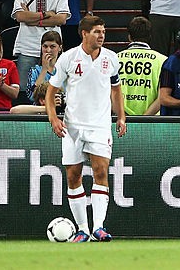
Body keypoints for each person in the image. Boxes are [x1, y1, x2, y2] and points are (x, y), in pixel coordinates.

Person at [46, 15, 125, 242]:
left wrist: (121, 116)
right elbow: (51, 93)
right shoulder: (68, 58)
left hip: (100, 126)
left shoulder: (111, 59)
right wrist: (54, 119)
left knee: (101, 171)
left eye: (103, 32)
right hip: (73, 126)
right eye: (97, 32)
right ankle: (82, 229)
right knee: (73, 176)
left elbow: (116, 89)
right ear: (84, 33)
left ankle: (98, 227)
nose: (101, 36)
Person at [115, 17, 166, 117]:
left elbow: (108, 93)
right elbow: (163, 97)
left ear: (129, 37)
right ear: (150, 36)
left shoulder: (115, 59)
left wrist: (123, 115)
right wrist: (144, 119)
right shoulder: (163, 61)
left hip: (120, 121)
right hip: (152, 123)